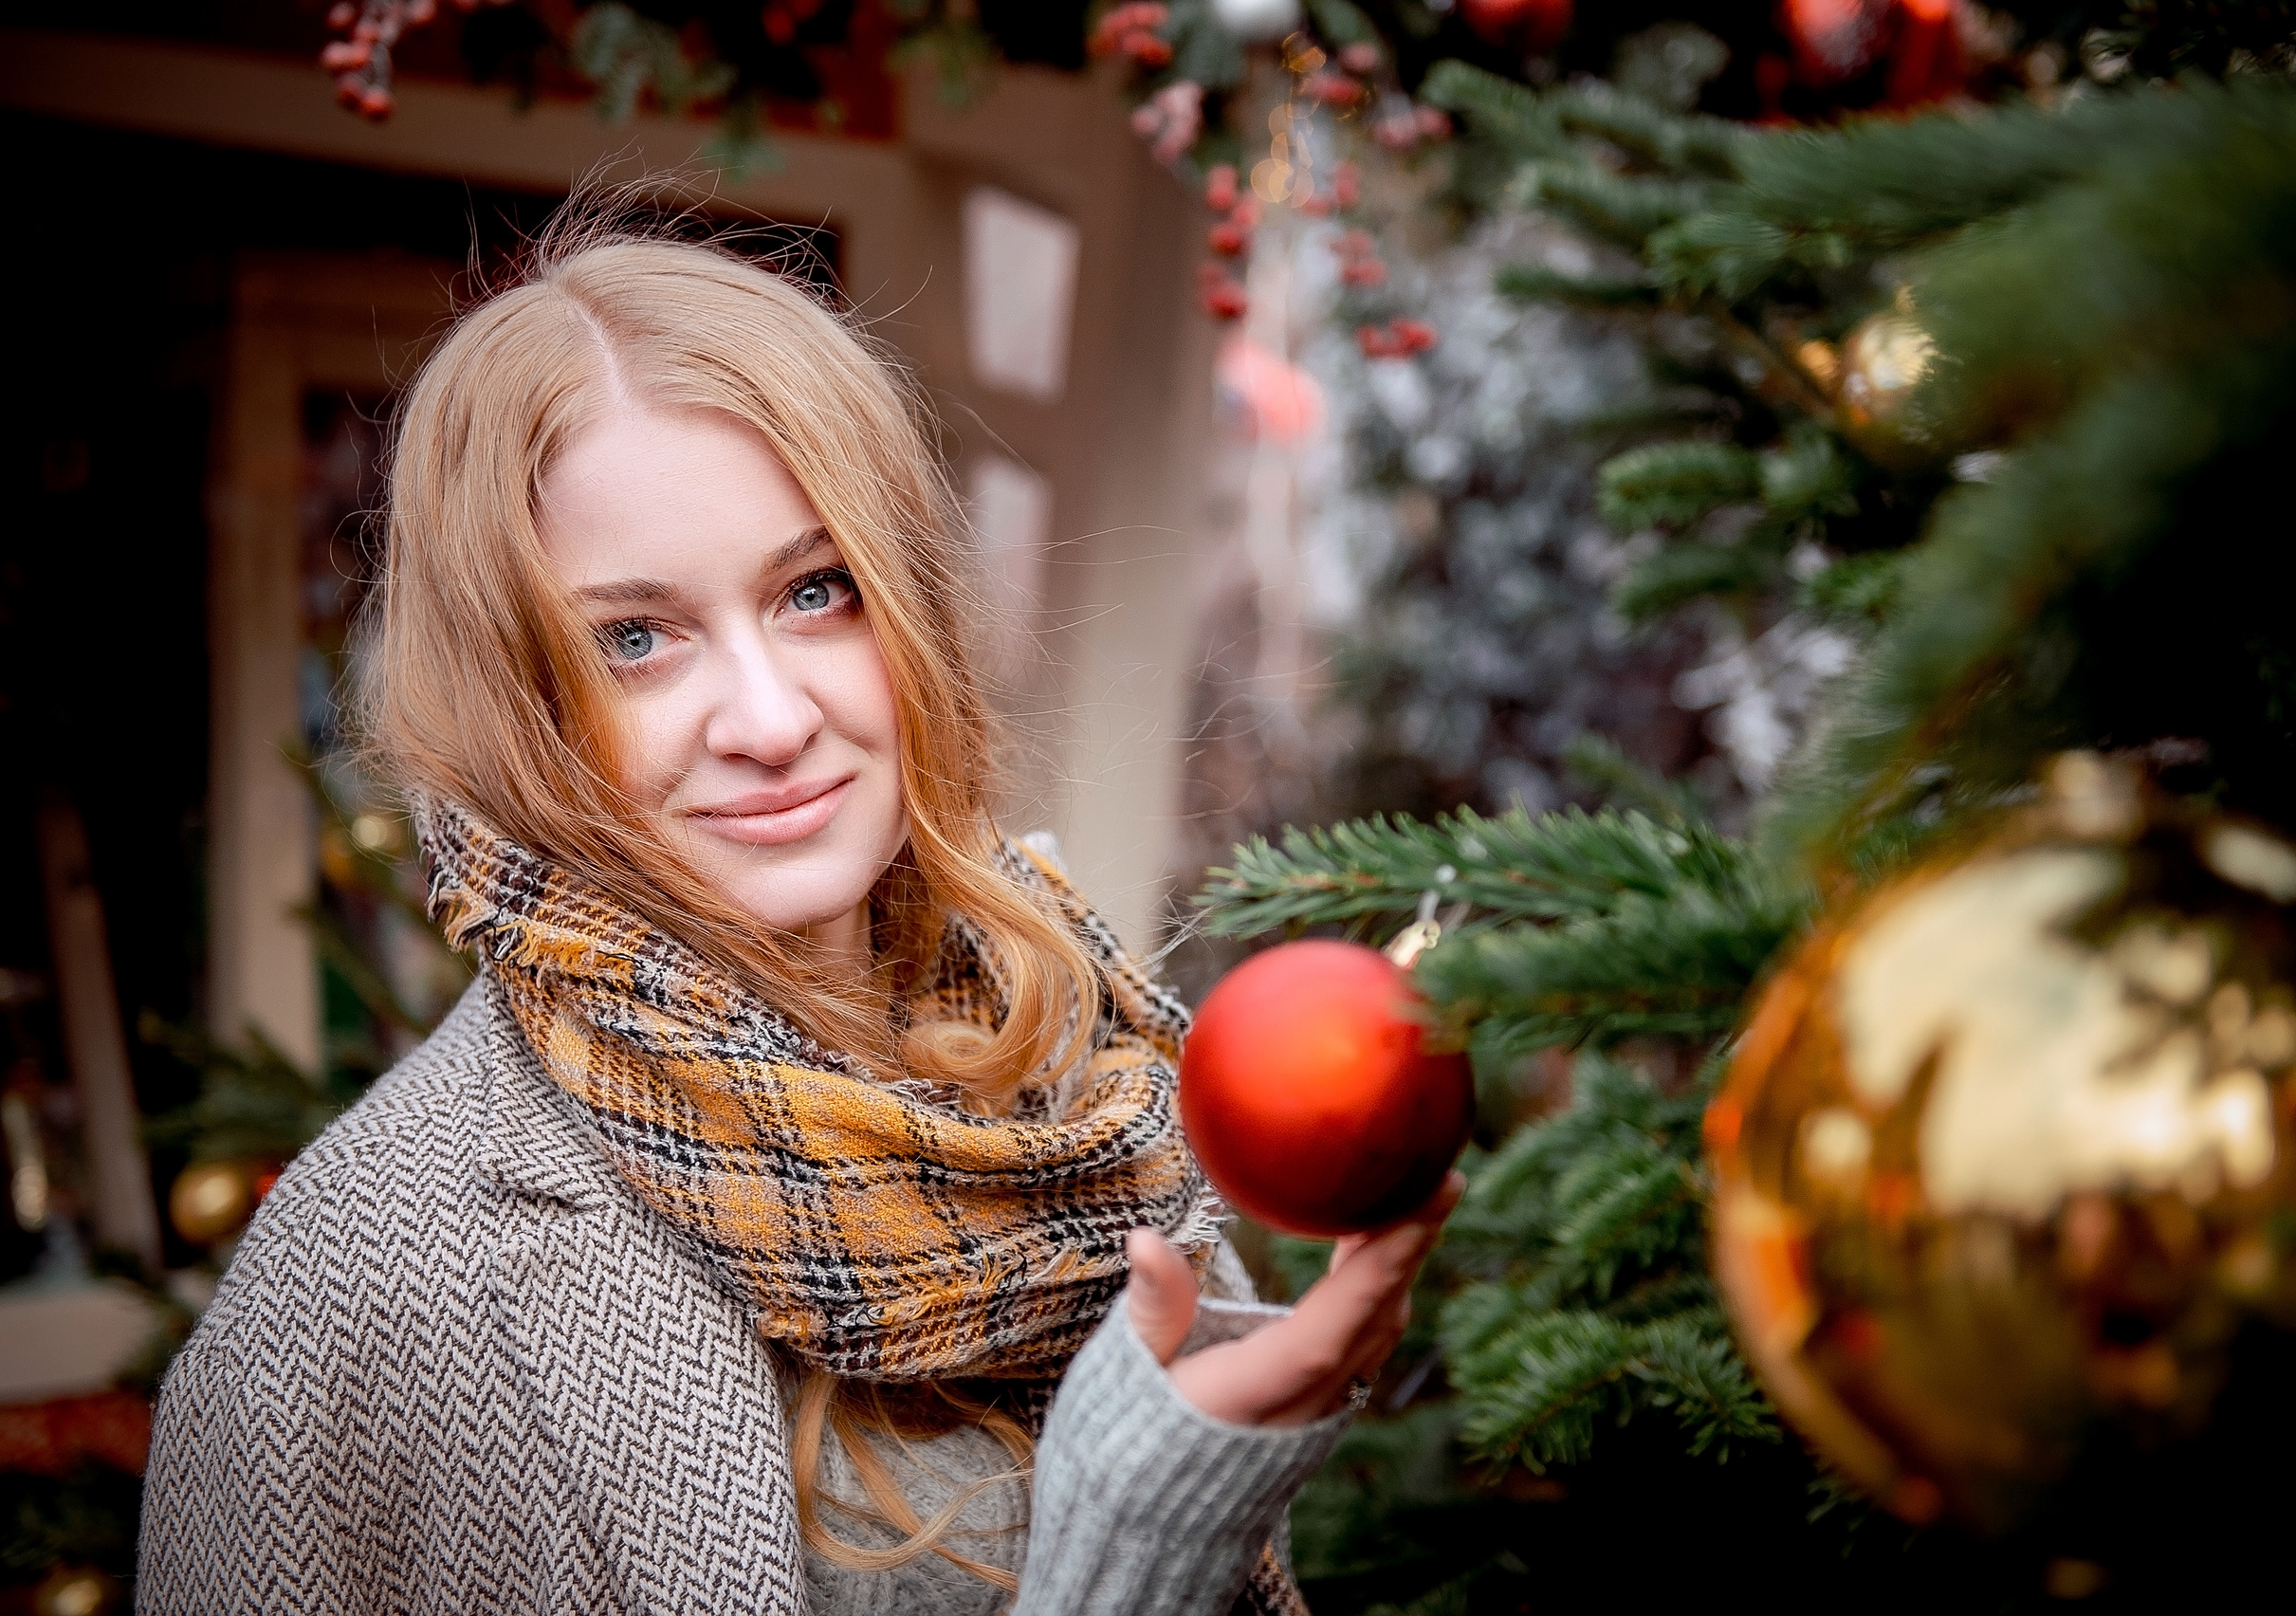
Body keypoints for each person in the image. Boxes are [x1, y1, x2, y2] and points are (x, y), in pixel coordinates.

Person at [136, 220, 1455, 1615]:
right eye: (635, 639)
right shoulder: (354, 1294)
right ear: (514, 706)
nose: (771, 722)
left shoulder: (1080, 1076)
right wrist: (1139, 1531)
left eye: (813, 592)